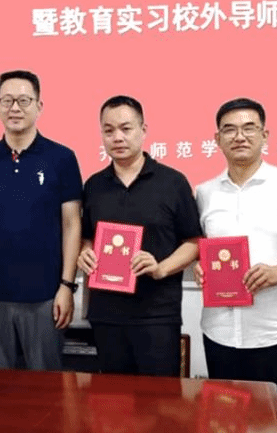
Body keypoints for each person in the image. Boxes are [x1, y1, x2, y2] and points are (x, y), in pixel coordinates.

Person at [194, 98, 277, 418]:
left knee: (271, 422)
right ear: (217, 139)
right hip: (219, 330)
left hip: (274, 331)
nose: (239, 136)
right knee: (225, 423)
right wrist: (199, 266)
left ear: (265, 135)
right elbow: (198, 246)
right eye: (229, 130)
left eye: (249, 128)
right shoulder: (204, 193)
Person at [0, 70, 82, 370]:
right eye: (7, 100)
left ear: (39, 106)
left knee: (45, 385)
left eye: (24, 100)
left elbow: (71, 225)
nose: (15, 108)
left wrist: (67, 285)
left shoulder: (62, 158)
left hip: (45, 295)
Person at [76, 95, 202, 376]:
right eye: (109, 130)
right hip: (106, 313)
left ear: (143, 130)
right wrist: (84, 253)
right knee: (112, 397)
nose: (117, 137)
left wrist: (161, 268)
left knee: (159, 397)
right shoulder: (94, 185)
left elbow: (194, 242)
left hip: (157, 314)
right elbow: (86, 237)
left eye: (126, 128)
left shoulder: (173, 182)